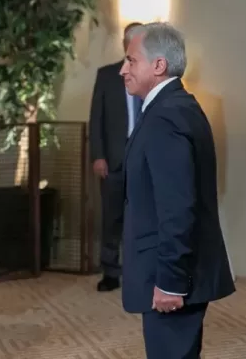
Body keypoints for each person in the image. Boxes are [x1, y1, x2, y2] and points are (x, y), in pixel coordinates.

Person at [119, 22, 235, 358]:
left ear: (158, 65)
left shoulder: (165, 117)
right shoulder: (176, 106)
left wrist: (170, 281)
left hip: (171, 276)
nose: (123, 70)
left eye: (131, 60)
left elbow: (177, 206)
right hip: (175, 271)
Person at [88, 21, 142, 292]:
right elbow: (96, 119)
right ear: (125, 44)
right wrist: (98, 156)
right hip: (114, 159)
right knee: (111, 217)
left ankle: (140, 271)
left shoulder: (154, 75)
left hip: (145, 159)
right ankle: (110, 272)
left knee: (143, 217)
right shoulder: (107, 75)